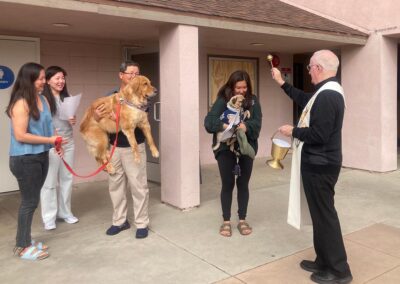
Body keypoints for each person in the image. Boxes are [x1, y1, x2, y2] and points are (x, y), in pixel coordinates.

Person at [271, 50, 352, 284]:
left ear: (317, 68)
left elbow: (320, 134)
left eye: (309, 68)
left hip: (321, 165)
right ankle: (323, 260)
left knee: (325, 216)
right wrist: (281, 83)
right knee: (319, 215)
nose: (308, 72)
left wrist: (292, 131)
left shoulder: (328, 96)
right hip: (318, 163)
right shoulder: (324, 92)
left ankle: (339, 270)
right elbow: (305, 100)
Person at [6, 62, 61, 260]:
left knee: (32, 201)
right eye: (40, 79)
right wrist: (49, 141)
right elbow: (21, 135)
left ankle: (26, 240)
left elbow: (49, 125)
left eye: (44, 78)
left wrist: (56, 141)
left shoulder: (43, 99)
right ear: (29, 80)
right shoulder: (20, 103)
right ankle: (21, 246)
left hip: (41, 155)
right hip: (25, 159)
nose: (44, 82)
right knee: (29, 202)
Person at [95, 61, 150, 239]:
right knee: (115, 185)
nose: (134, 76)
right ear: (121, 75)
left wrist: (118, 116)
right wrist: (98, 116)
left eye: (137, 73)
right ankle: (120, 221)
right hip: (114, 147)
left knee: (138, 185)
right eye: (130, 73)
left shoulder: (142, 94)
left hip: (134, 147)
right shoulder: (110, 95)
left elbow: (139, 118)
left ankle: (142, 223)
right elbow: (99, 119)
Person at [204, 70, 262, 237]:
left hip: (245, 148)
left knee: (243, 184)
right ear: (232, 86)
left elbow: (257, 123)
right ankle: (226, 221)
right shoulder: (223, 100)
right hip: (225, 149)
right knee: (228, 184)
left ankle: (242, 219)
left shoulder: (253, 101)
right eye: (238, 87)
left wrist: (246, 127)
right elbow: (209, 122)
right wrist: (226, 126)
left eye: (244, 87)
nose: (241, 91)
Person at [40, 66, 79, 230]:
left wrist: (72, 120)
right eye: (57, 78)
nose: (61, 81)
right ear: (48, 80)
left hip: (68, 142)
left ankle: (65, 212)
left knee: (67, 179)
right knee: (49, 182)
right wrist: (55, 142)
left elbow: (69, 119)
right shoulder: (42, 99)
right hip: (51, 144)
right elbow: (44, 123)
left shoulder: (67, 97)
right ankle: (49, 217)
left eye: (63, 78)